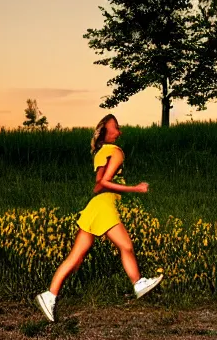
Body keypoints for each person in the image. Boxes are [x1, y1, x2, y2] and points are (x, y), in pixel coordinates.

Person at [36, 114, 163, 322]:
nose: (120, 131)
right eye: (116, 128)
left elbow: (97, 183)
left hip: (94, 206)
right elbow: (103, 183)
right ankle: (138, 283)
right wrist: (135, 188)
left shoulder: (101, 152)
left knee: (75, 258)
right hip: (103, 206)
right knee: (126, 246)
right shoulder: (116, 151)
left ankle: (49, 295)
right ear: (106, 131)